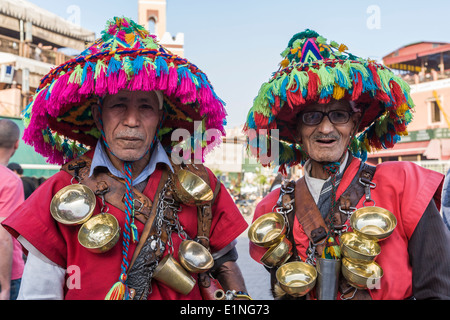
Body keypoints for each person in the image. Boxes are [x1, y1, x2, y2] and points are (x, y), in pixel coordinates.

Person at [2, 17, 249, 300]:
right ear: (98, 115)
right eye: (119, 104)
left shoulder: (200, 184)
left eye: (145, 107)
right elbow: (39, 294)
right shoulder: (61, 190)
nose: (132, 121)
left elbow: (225, 265)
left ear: (161, 118)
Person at [244, 29, 450, 300]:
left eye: (339, 115)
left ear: (354, 125)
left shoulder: (403, 185)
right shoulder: (273, 208)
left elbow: (437, 290)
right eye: (312, 117)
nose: (326, 128)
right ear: (295, 131)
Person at [0, 119, 25, 300]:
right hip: (6, 272)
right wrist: (5, 287)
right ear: (17, 144)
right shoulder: (11, 181)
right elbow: (3, 238)